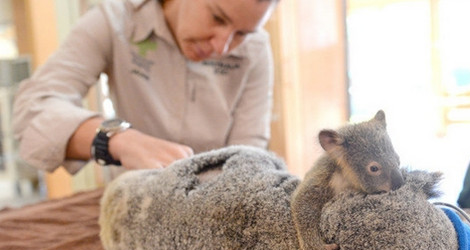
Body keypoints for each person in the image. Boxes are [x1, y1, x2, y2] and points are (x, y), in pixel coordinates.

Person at [12, 0, 278, 175]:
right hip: (136, 204)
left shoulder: (255, 50)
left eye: (242, 33)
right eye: (217, 18)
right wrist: (117, 140)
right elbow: (33, 110)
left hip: (214, 207)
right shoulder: (115, 19)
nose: (221, 47)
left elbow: (248, 152)